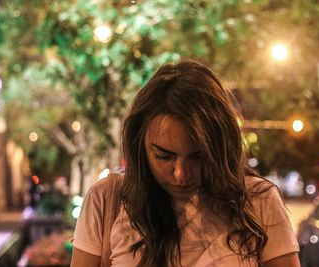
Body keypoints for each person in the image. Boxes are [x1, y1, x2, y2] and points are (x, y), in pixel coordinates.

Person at [71, 59, 300, 267]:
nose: (181, 174)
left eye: (198, 157)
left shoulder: (257, 201)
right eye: (164, 156)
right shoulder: (107, 200)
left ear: (220, 148)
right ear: (140, 146)